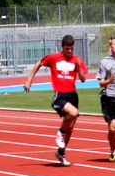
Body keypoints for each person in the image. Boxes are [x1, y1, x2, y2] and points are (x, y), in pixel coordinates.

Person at [24, 35, 88, 166]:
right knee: (73, 113)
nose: (69, 51)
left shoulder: (77, 60)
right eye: (67, 48)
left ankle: (61, 152)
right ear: (62, 46)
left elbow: (83, 79)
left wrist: (77, 69)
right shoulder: (54, 58)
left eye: (71, 48)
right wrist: (30, 79)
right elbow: (39, 63)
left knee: (71, 127)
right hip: (60, 95)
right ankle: (61, 132)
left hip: (72, 95)